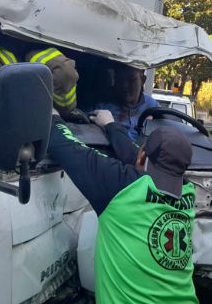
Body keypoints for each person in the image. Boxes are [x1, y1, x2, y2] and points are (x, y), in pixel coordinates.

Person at [49, 113, 197, 303]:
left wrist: (53, 116)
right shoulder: (187, 193)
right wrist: (111, 125)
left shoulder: (122, 188)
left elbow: (65, 146)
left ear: (142, 156)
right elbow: (134, 156)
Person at [94, 64, 159, 140]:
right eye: (119, 80)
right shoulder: (102, 106)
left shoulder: (154, 108)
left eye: (131, 80)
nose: (124, 86)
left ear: (143, 80)